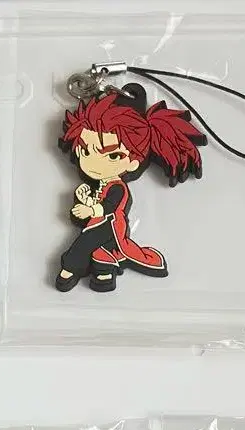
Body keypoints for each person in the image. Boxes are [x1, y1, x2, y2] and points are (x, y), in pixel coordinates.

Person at [56, 83, 206, 292]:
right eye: (86, 152)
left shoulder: (118, 187)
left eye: (112, 156)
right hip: (100, 225)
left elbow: (108, 207)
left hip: (110, 226)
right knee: (98, 249)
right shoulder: (101, 183)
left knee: (84, 242)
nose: (94, 163)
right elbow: (97, 202)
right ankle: (103, 273)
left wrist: (90, 209)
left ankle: (71, 268)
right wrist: (86, 199)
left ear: (134, 163)